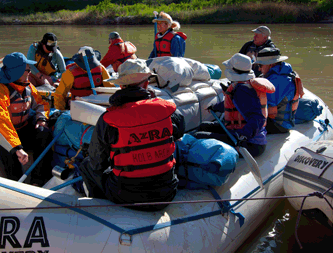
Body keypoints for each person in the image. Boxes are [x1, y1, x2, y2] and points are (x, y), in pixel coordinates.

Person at [78, 58, 186, 211]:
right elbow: (179, 130)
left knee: (86, 165)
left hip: (125, 195)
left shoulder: (109, 119)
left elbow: (97, 163)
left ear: (121, 85)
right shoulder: (167, 110)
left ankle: (99, 210)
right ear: (147, 84)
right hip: (167, 193)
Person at [0, 52, 53, 186]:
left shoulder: (27, 86)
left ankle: (38, 180)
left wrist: (41, 119)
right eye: (27, 70)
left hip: (20, 129)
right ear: (17, 72)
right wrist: (16, 147)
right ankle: (18, 184)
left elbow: (42, 104)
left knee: (44, 132)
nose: (30, 73)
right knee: (8, 150)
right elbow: (0, 120)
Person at [194, 53, 275, 158]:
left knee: (198, 136)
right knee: (204, 126)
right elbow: (235, 105)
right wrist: (215, 107)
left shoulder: (243, 90)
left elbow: (258, 117)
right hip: (239, 132)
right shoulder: (244, 84)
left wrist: (243, 137)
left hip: (251, 144)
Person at [254, 47, 304, 134]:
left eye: (260, 65)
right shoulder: (282, 73)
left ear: (270, 64)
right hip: (279, 122)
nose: (259, 69)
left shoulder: (278, 80)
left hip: (277, 125)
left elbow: (263, 104)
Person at [53, 46, 115, 110]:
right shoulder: (101, 69)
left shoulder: (70, 72)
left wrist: (60, 110)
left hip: (82, 107)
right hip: (98, 106)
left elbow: (60, 94)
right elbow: (111, 87)